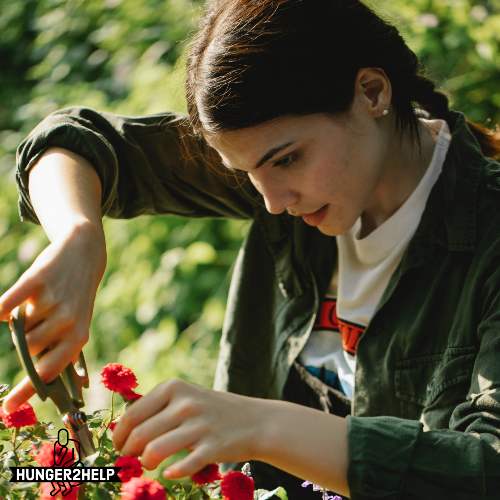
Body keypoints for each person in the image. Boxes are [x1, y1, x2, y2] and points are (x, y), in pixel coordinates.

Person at [2, 0, 500, 498]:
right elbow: (71, 140)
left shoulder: (487, 231)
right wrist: (79, 237)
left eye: (286, 160)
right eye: (246, 175)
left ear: (371, 92)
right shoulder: (289, 178)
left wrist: (261, 427)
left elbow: (486, 467)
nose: (273, 203)